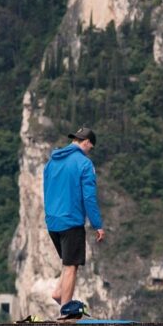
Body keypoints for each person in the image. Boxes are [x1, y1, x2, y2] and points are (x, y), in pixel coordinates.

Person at [43, 126, 105, 315]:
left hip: (53, 221)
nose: (89, 152)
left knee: (67, 261)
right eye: (90, 148)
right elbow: (89, 198)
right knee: (72, 265)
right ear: (86, 143)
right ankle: (66, 311)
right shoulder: (84, 164)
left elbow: (46, 190)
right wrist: (98, 225)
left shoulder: (51, 162)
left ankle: (58, 292)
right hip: (71, 221)